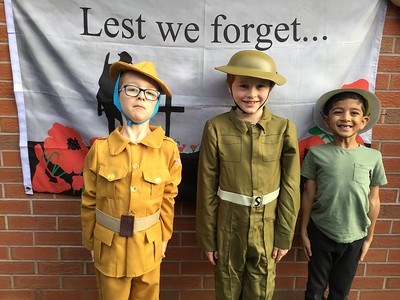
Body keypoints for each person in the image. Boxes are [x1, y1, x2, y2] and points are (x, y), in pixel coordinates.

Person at [196, 49, 301, 299]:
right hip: (229, 224)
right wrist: (208, 239)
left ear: (270, 90)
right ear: (230, 87)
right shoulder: (216, 128)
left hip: (268, 224)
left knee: (261, 287)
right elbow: (207, 186)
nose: (252, 94)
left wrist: (284, 234)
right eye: (243, 86)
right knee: (228, 284)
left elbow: (291, 185)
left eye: (260, 87)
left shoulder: (284, 128)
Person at [81, 59, 182, 300]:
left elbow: (169, 197)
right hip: (109, 248)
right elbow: (89, 200)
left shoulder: (167, 150)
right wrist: (91, 242)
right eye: (132, 89)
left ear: (156, 102)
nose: (141, 97)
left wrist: (165, 238)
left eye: (150, 93)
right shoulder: (101, 150)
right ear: (118, 95)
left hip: (148, 247)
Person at [300, 80, 387, 300]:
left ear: (364, 120)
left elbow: (374, 200)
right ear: (327, 121)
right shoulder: (316, 154)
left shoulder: (373, 157)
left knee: (340, 292)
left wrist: (369, 237)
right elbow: (309, 194)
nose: (346, 118)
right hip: (321, 231)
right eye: (338, 112)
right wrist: (303, 230)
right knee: (314, 291)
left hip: (355, 235)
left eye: (354, 113)